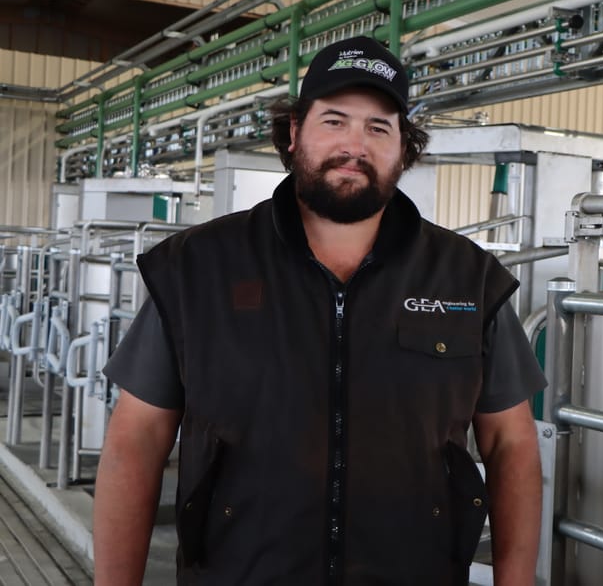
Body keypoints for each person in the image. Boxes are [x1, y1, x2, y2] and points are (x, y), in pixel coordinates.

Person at [93, 36, 547, 585]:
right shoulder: (197, 268)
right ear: (294, 132)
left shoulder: (467, 276)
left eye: (379, 127)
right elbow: (135, 440)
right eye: (334, 120)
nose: (355, 144)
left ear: (404, 148)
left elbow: (511, 443)